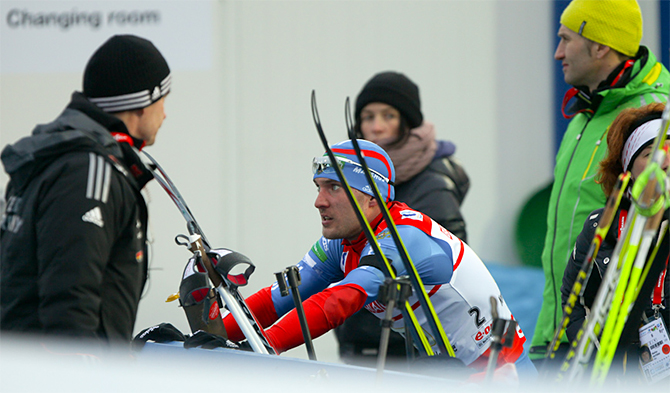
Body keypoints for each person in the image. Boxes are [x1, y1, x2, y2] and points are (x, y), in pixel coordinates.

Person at [222, 139, 536, 380]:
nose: (319, 201)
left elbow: (341, 300)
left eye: (334, 187)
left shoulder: (403, 236)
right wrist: (216, 335)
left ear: (372, 197)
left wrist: (262, 349)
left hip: (502, 374)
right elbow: (279, 299)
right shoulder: (343, 241)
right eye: (319, 188)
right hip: (450, 370)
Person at [0, 35, 171, 345]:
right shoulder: (87, 171)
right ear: (143, 103)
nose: (165, 113)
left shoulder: (65, 160)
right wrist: (85, 376)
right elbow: (71, 295)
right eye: (163, 100)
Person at [530, 0, 670, 364]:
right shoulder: (582, 115)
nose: (557, 53)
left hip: (630, 351)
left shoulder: (658, 114)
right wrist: (559, 327)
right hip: (562, 329)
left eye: (565, 39)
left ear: (600, 45)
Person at [336, 71, 470, 366]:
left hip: (408, 350)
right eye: (368, 117)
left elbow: (449, 269)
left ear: (407, 121)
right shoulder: (355, 179)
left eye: (389, 115)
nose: (377, 127)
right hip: (359, 343)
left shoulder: (431, 184)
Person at [560, 103, 669, 377]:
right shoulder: (602, 225)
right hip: (619, 370)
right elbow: (574, 302)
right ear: (629, 167)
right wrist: (597, 356)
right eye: (650, 153)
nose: (664, 161)